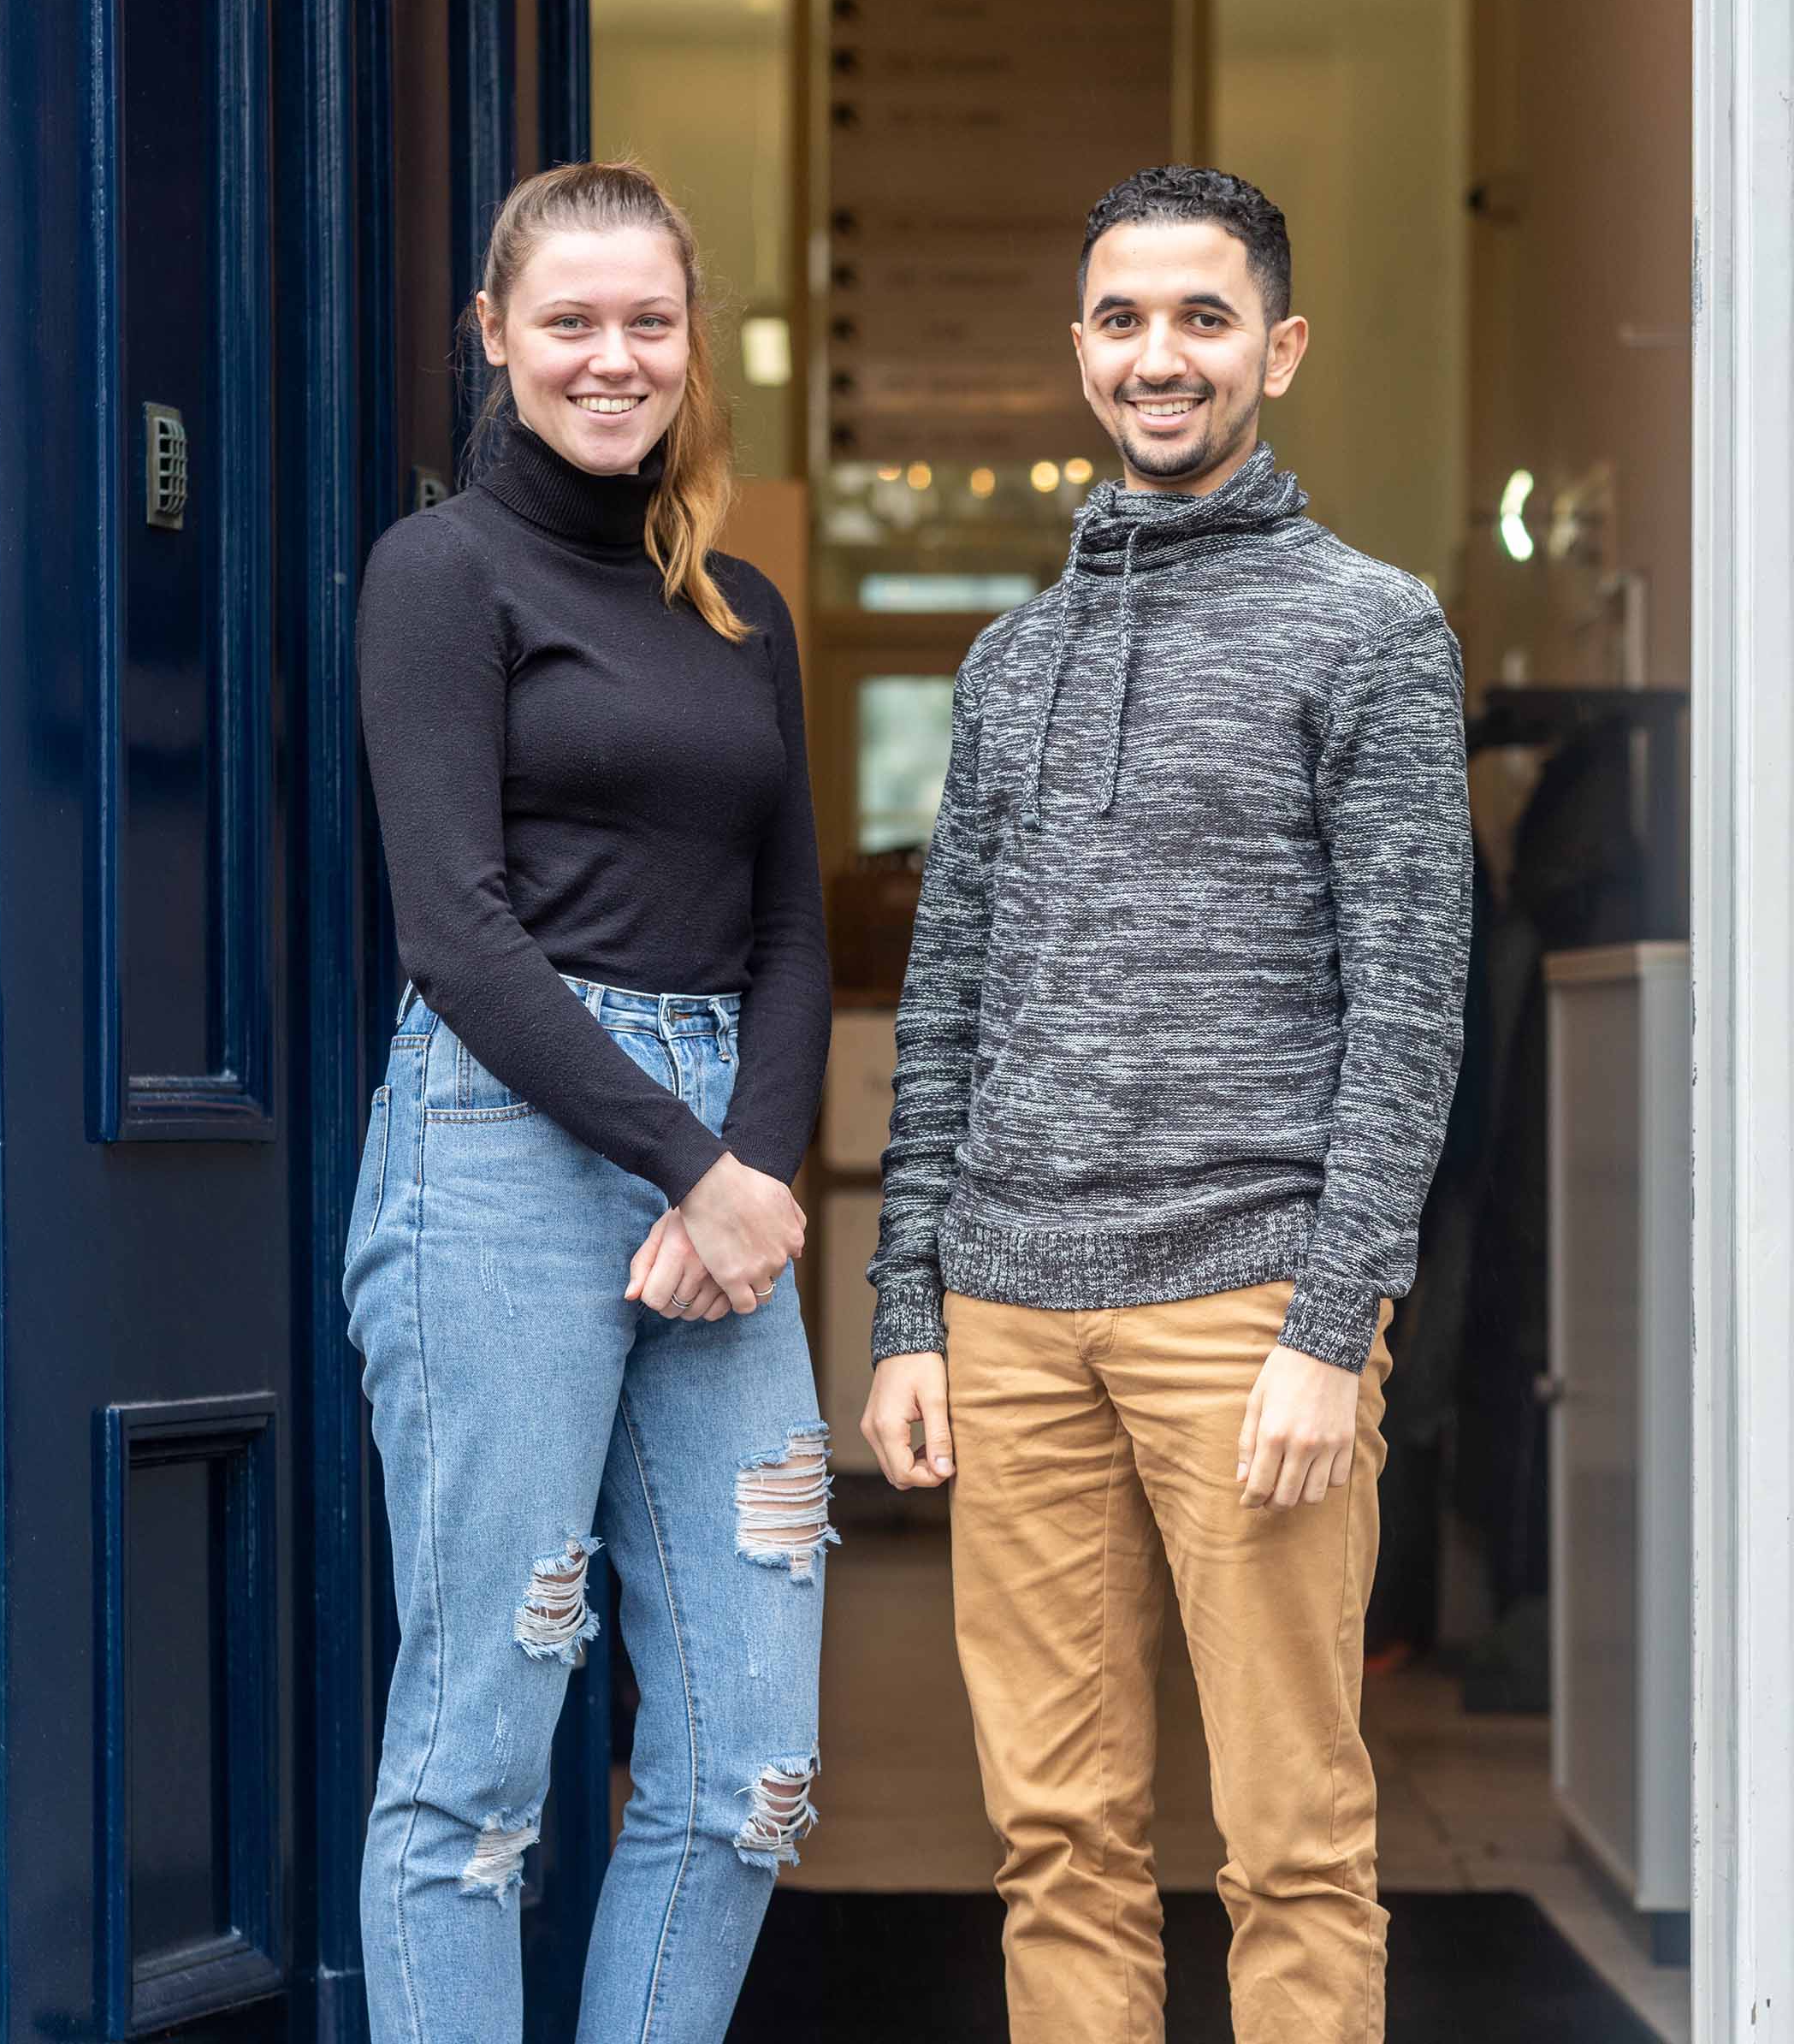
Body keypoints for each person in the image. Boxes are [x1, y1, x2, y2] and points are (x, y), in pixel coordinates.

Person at [861, 164, 1471, 2044]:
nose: (1160, 356)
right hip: (1014, 1311)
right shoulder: (1008, 663)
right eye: (1123, 319)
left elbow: (1414, 1006)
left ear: (1277, 348)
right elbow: (947, 997)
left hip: (1245, 1312)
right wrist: (907, 1310)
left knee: (1291, 1841)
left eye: (1204, 318)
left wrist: (1330, 1318)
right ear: (1078, 351)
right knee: (1058, 1838)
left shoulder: (1372, 629)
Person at [347, 159, 833, 2044]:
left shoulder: (738, 610)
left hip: (718, 1161)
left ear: (691, 338)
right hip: (500, 1146)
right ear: (494, 337)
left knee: (751, 1771)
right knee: (478, 1765)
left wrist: (751, 1176)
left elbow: (790, 925)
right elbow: (458, 933)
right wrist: (694, 1164)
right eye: (570, 322)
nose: (612, 358)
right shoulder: (440, 574)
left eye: (648, 321)